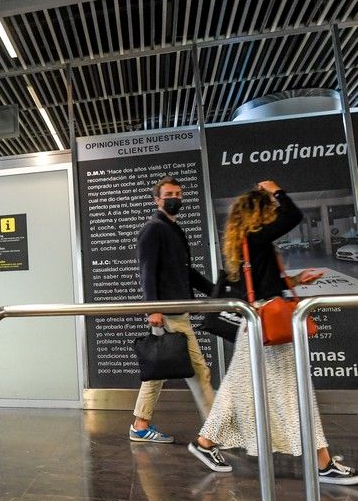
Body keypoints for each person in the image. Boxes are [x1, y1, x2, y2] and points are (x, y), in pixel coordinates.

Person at [189, 180, 358, 485]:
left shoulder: (244, 242)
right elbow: (293, 216)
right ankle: (323, 463)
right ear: (260, 212)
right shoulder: (254, 237)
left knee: (237, 389)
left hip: (255, 326)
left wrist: (296, 281)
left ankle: (204, 443)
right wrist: (276, 190)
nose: (273, 214)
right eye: (269, 209)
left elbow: (258, 287)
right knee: (293, 391)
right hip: (264, 328)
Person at [130, 176, 215, 443]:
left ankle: (140, 426)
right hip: (168, 314)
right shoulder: (153, 229)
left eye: (178, 193)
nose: (174, 198)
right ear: (157, 200)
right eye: (168, 194)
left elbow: (185, 272)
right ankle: (215, 431)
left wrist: (216, 292)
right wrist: (153, 309)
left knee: (157, 372)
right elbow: (147, 273)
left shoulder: (174, 230)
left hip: (178, 311)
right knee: (199, 372)